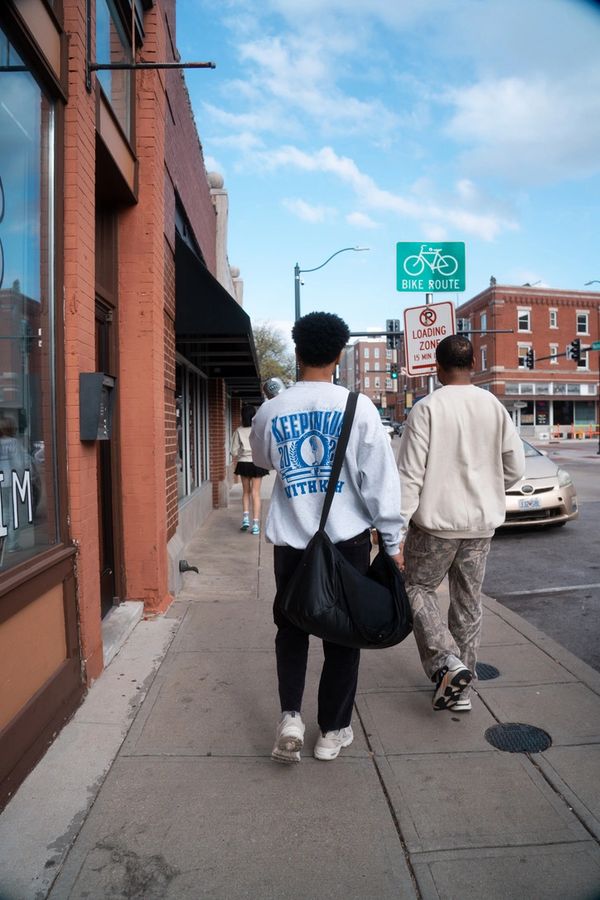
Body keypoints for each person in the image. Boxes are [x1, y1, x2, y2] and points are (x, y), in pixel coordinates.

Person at [250, 312, 405, 763]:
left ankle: (291, 717)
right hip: (348, 546)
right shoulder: (359, 408)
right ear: (339, 355)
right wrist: (392, 546)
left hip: (292, 546)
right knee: (344, 637)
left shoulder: (272, 409)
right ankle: (332, 732)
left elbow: (263, 461)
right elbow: (381, 484)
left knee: (291, 630)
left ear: (297, 352)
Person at [397, 334, 525, 712]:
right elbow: (515, 467)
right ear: (473, 365)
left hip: (436, 526)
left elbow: (409, 476)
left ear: (437, 368)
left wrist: (396, 531)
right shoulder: (494, 406)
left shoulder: (427, 408)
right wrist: (488, 488)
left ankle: (445, 663)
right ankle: (461, 692)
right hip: (481, 527)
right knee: (468, 605)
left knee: (415, 588)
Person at [230, 404, 269, 535]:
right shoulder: (259, 430)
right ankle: (256, 524)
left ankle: (245, 518)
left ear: (242, 416)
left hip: (244, 463)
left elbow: (233, 451)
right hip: (257, 463)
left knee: (245, 492)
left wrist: (242, 450)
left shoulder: (238, 431)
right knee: (255, 493)